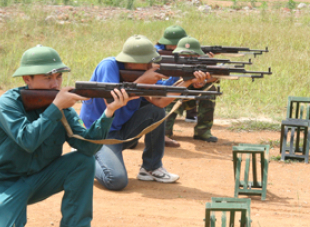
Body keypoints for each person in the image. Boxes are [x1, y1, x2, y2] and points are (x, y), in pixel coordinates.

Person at [0, 45, 135, 227]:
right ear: (27, 79)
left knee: (82, 161)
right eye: (47, 78)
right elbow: (28, 140)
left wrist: (109, 111)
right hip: (4, 185)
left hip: (40, 179)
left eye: (58, 77)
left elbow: (87, 147)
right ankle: (12, 217)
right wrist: (55, 108)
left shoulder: (62, 107)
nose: (55, 83)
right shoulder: (7, 104)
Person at [79, 35, 211, 190]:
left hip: (121, 132)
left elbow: (159, 102)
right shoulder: (108, 66)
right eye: (148, 62)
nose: (151, 66)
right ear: (132, 61)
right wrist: (142, 81)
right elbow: (111, 102)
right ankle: (81, 157)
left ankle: (151, 167)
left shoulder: (141, 73)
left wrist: (188, 81)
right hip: (98, 135)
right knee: (116, 180)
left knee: (155, 111)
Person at [164, 36, 219, 143]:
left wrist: (204, 81)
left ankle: (202, 131)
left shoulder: (203, 63)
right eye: (184, 55)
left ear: (199, 55)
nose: (188, 58)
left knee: (210, 89)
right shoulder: (170, 63)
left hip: (191, 98)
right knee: (170, 91)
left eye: (193, 55)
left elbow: (215, 77)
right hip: (171, 99)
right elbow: (166, 82)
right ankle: (164, 132)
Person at [155, 25, 188, 148]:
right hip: (161, 91)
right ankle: (162, 133)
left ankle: (201, 128)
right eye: (172, 45)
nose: (175, 48)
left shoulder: (187, 49)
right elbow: (160, 85)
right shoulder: (156, 54)